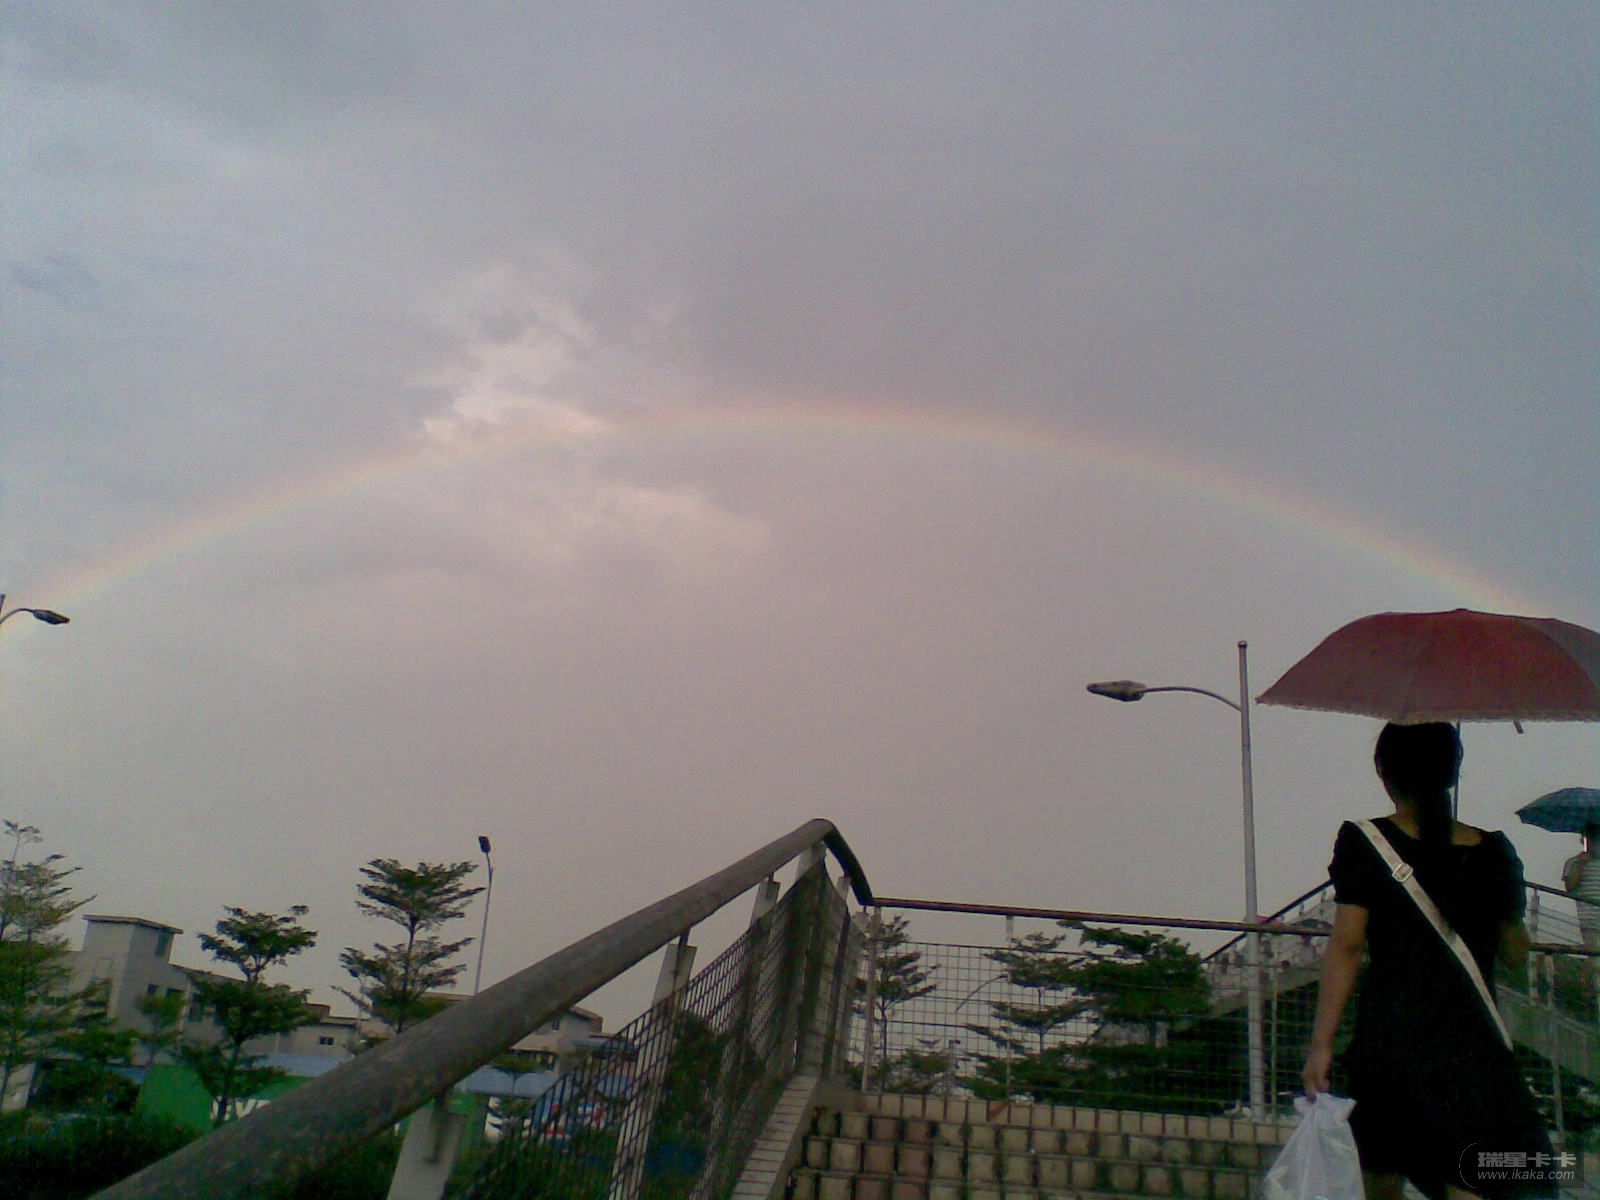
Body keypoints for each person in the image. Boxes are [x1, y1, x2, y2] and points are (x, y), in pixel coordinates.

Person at [1302, 722, 1552, 1200]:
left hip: (1390, 1048)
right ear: (1453, 772)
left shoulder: (1364, 841)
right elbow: (1515, 955)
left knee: (1381, 1181)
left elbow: (1347, 946)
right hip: (1474, 1053)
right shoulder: (1495, 852)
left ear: (1384, 772)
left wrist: (1321, 1044)